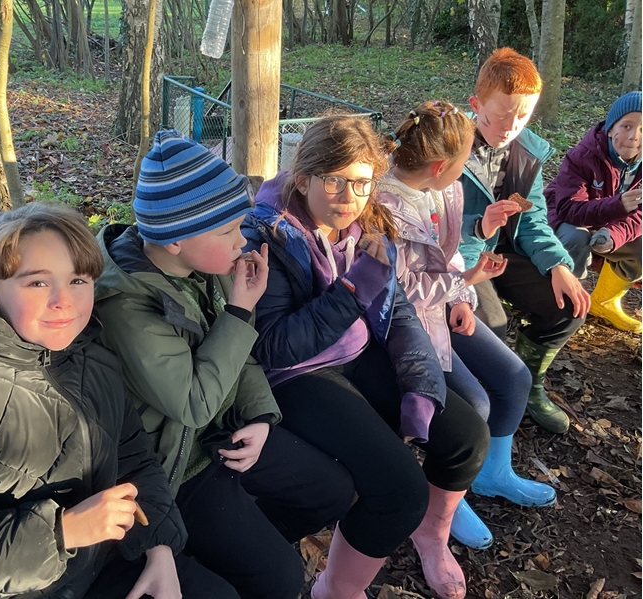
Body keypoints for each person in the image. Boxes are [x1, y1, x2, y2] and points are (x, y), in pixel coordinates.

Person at [0, 203, 236, 599]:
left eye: (78, 280)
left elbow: (132, 455)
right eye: (37, 283)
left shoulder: (91, 357)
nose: (64, 301)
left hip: (98, 564)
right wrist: (62, 532)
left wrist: (158, 547)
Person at [93, 130, 355, 599]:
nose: (242, 240)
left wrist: (259, 414)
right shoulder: (127, 306)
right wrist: (240, 310)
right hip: (174, 466)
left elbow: (239, 351)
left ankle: (231, 556)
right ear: (175, 239)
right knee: (280, 577)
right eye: (228, 231)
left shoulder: (200, 267)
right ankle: (226, 562)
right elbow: (193, 403)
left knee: (330, 491)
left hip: (219, 431)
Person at [242, 114, 489, 599]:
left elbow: (397, 311)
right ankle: (336, 589)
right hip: (298, 375)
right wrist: (353, 292)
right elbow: (272, 346)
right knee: (400, 490)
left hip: (358, 349)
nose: (349, 196)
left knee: (466, 437)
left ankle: (431, 536)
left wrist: (420, 386)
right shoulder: (268, 234)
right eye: (335, 181)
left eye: (362, 182)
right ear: (304, 178)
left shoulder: (367, 222)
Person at [376, 100, 556, 551]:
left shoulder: (443, 190)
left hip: (443, 305)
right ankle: (445, 497)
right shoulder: (386, 206)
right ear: (440, 166)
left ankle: (493, 474)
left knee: (513, 377)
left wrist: (461, 294)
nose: (467, 170)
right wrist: (462, 283)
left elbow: (450, 251)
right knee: (474, 404)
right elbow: (397, 291)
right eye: (463, 162)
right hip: (406, 325)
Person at [458, 47, 591, 434]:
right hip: (462, 254)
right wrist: (478, 226)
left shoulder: (527, 151)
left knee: (569, 305)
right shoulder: (449, 145)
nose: (511, 126)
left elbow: (532, 219)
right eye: (502, 114)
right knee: (490, 325)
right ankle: (477, 401)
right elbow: (425, 218)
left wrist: (558, 264)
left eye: (522, 115)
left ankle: (529, 382)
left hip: (505, 250)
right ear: (476, 105)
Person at [545, 90, 642, 333]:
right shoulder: (582, 156)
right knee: (575, 237)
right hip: (566, 220)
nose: (634, 136)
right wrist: (617, 205)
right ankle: (562, 303)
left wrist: (613, 235)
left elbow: (640, 215)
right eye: (627, 126)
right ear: (610, 129)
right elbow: (568, 208)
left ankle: (603, 302)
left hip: (607, 226)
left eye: (642, 129)